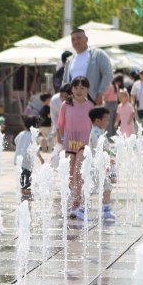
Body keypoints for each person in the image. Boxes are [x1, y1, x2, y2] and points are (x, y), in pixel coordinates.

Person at [57, 76, 94, 219]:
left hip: (84, 144)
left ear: (87, 90)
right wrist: (60, 140)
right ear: (71, 89)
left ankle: (77, 204)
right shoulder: (66, 105)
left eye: (82, 88)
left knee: (78, 172)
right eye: (76, 87)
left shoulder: (90, 106)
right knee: (70, 175)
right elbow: (60, 124)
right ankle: (76, 200)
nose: (79, 90)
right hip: (69, 143)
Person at [61, 28, 113, 106]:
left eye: (79, 38)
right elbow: (65, 81)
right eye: (73, 39)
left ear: (86, 39)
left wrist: (100, 94)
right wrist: (64, 96)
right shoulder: (69, 60)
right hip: (73, 102)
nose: (76, 41)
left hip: (93, 100)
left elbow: (108, 74)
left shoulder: (98, 54)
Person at [88, 106, 116, 221]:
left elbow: (106, 147)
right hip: (96, 166)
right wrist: (109, 156)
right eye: (106, 119)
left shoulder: (99, 131)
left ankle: (107, 210)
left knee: (107, 188)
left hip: (101, 166)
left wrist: (111, 154)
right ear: (97, 121)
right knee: (91, 189)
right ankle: (82, 210)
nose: (108, 122)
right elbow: (99, 148)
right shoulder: (95, 132)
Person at [14, 115, 44, 195]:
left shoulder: (21, 133)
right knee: (28, 175)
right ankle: (26, 189)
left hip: (19, 158)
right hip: (27, 160)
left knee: (21, 174)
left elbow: (15, 141)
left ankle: (22, 188)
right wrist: (41, 159)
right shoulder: (33, 136)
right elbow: (36, 149)